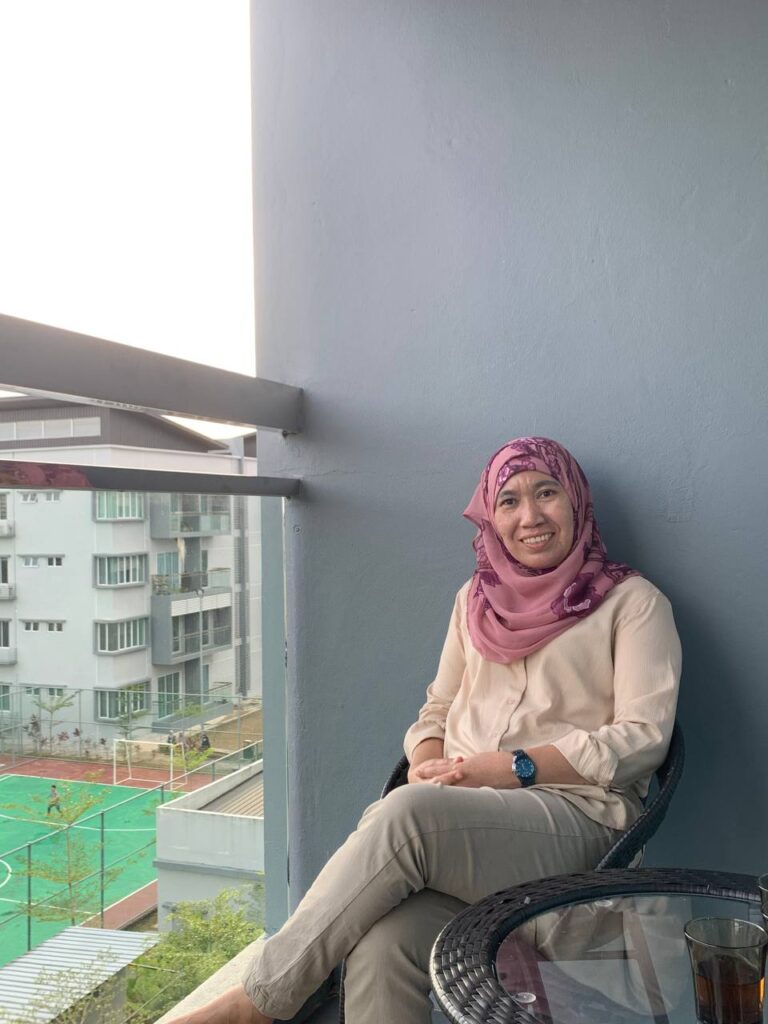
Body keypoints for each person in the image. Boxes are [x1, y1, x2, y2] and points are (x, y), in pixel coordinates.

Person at [166, 437, 681, 1024]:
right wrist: (429, 759)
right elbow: (437, 707)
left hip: (577, 822)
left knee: (408, 814)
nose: (530, 516)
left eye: (546, 493)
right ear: (490, 518)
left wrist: (512, 767)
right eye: (508, 501)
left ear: (577, 502)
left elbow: (644, 737)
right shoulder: (475, 601)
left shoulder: (633, 604)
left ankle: (257, 1003)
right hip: (461, 825)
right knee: (382, 945)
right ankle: (271, 996)